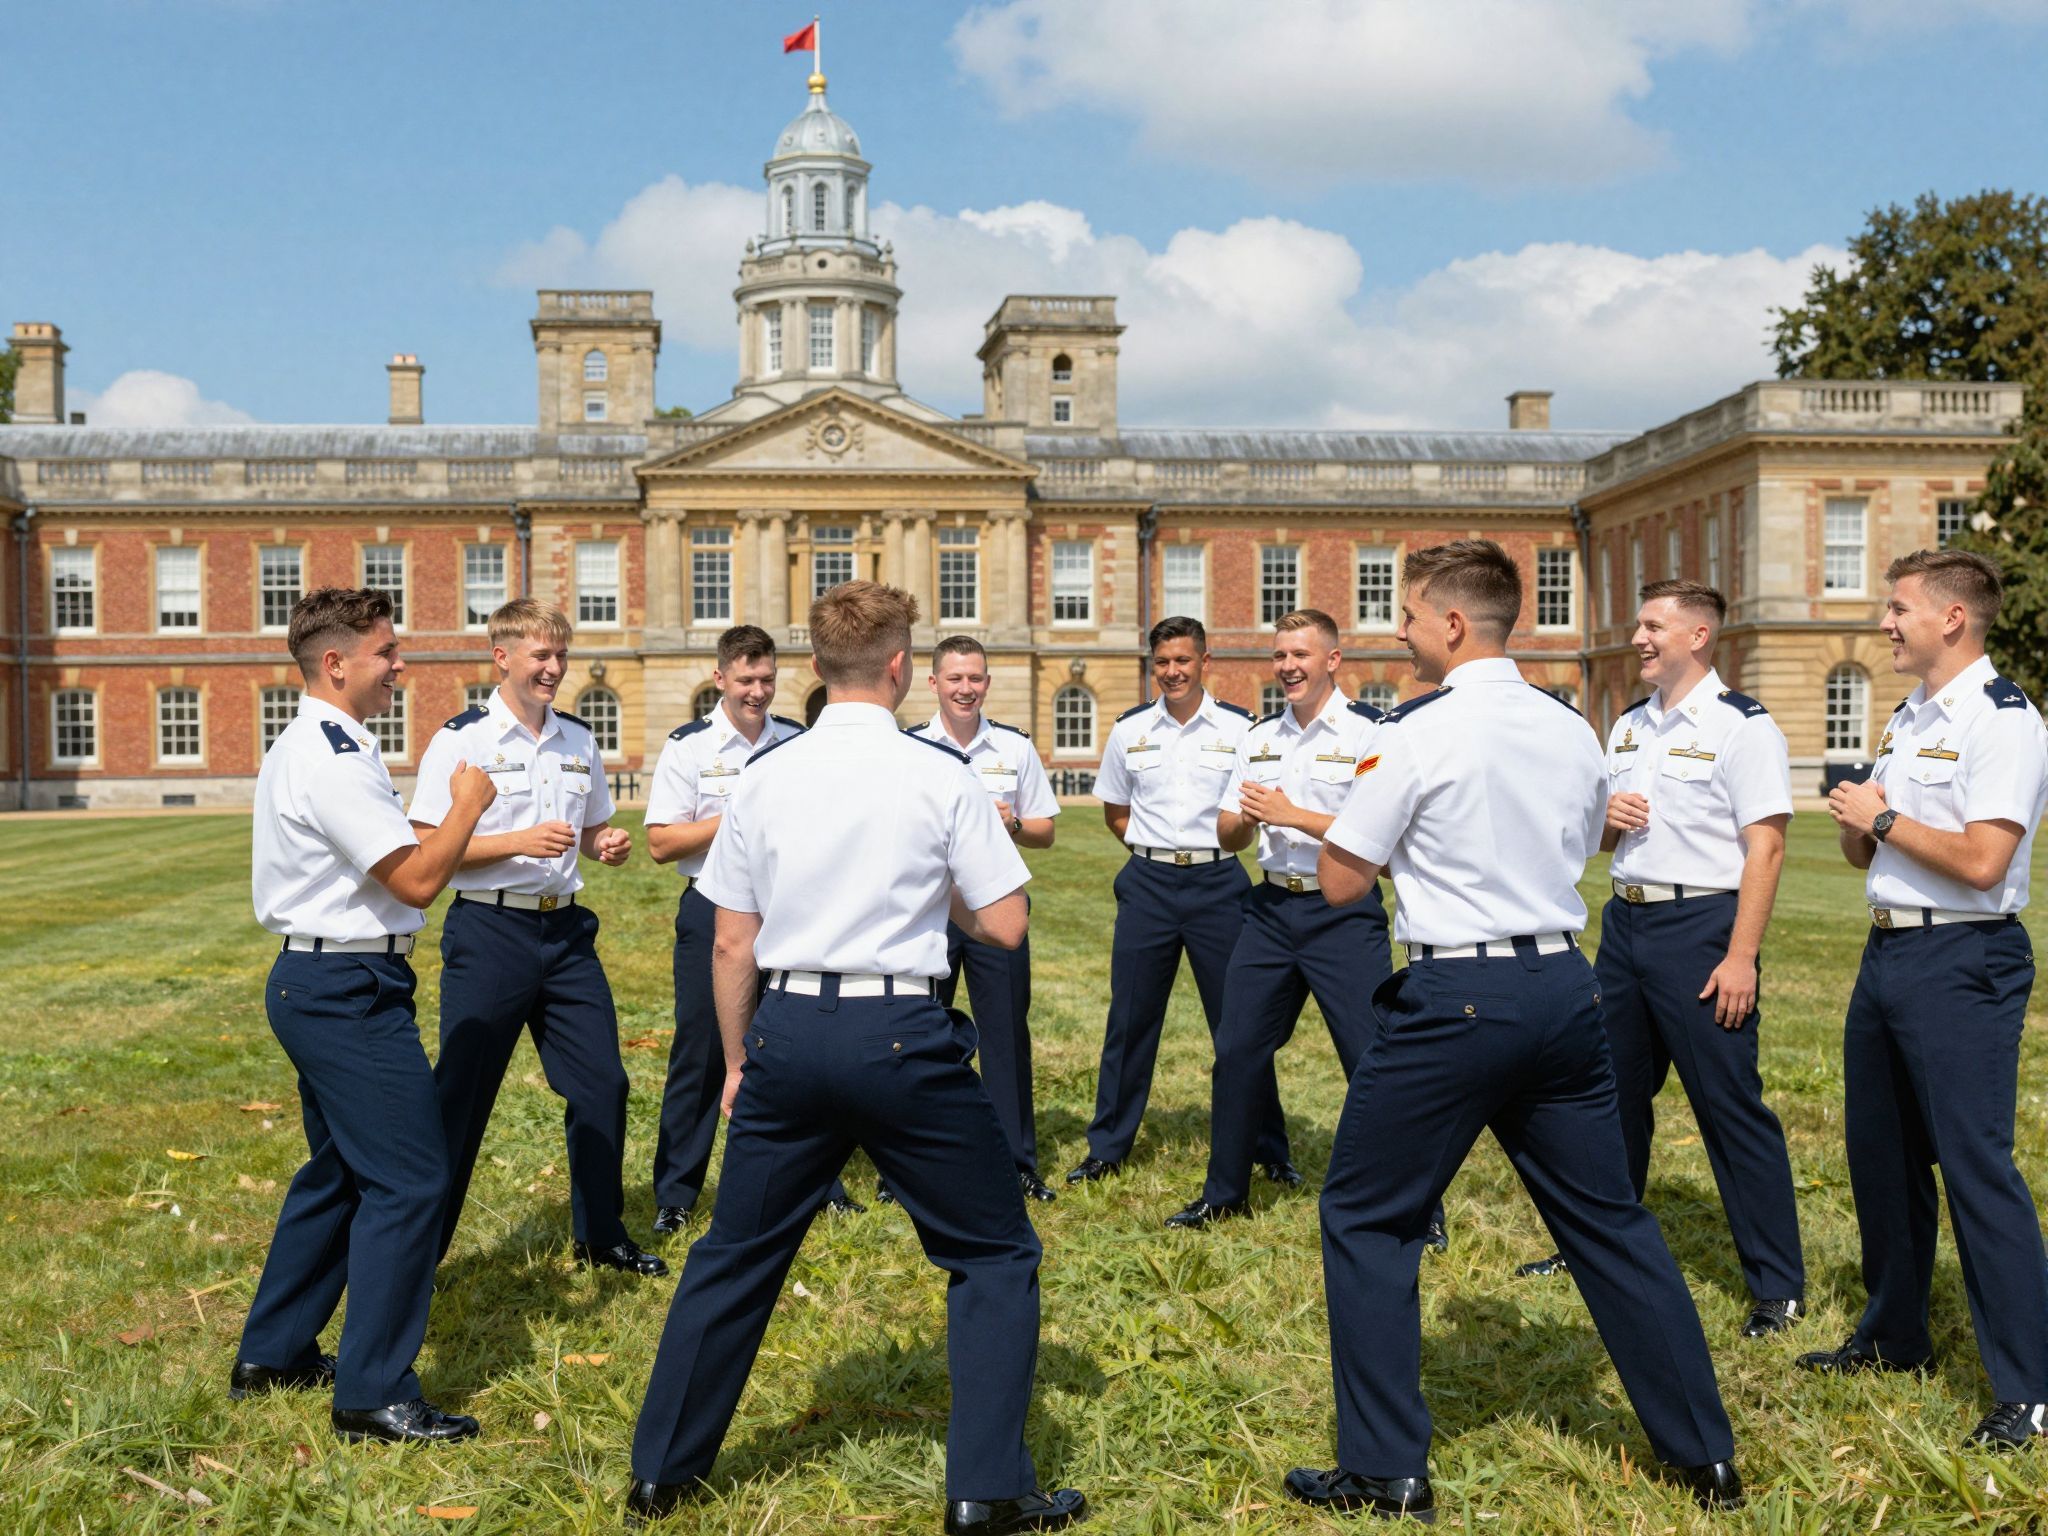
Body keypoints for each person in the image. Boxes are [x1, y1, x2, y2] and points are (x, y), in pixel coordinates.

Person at [1295, 540, 1740, 1518]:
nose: (1398, 629)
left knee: (1366, 1217)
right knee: (1606, 1223)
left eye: (1408, 614)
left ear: (1451, 624)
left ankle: (1383, 1469)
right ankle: (1703, 1453)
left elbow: (1338, 883)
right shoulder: (1571, 725)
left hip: (1455, 997)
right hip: (1562, 987)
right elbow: (1588, 840)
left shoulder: (1411, 733)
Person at [626, 582, 1084, 1533]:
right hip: (900, 1034)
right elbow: (1004, 924)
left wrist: (741, 1059)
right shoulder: (938, 773)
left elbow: (728, 942)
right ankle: (987, 1489)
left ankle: (661, 1474)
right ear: (902, 666)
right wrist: (939, 895)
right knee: (994, 1253)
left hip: (789, 1028)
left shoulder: (765, 777)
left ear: (814, 669)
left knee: (735, 1254)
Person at [234, 587, 495, 1444]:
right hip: (345, 991)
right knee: (411, 1178)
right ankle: (373, 1392)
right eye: (387, 652)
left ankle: (273, 1353)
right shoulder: (333, 755)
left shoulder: (318, 742)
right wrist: (467, 803)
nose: (399, 666)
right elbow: (416, 880)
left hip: (328, 983)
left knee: (342, 1171)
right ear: (337, 663)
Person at [1512, 580, 1803, 1337]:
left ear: (1698, 635)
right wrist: (1603, 817)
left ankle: (1777, 1288)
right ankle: (1593, 1247)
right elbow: (1602, 839)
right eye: (1638, 624)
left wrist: (1742, 957)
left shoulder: (1744, 727)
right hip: (1627, 928)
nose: (1638, 638)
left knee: (1729, 1108)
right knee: (1608, 1100)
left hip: (1704, 930)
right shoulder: (1630, 727)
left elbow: (1766, 846)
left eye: (1653, 626)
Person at [1809, 548, 2048, 1450]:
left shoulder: (2004, 720)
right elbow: (1871, 851)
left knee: (1977, 1172)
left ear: (1952, 618)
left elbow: (1985, 860)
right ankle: (1895, 1334)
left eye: (1898, 607)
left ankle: (2028, 1387)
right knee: (1881, 1158)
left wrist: (1878, 817)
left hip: (1964, 960)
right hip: (1889, 955)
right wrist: (1864, 824)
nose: (1885, 622)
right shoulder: (1910, 717)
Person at [412, 598, 663, 1279]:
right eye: (541, 657)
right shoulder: (462, 740)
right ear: (502, 658)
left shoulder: (579, 740)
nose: (554, 669)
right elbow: (426, 847)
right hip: (490, 931)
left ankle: (601, 1235)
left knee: (603, 1084)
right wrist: (516, 841)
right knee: (461, 1099)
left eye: (561, 657)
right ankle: (416, 1255)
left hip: (567, 934)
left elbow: (588, 829)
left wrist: (602, 843)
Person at [1165, 609, 1425, 1240]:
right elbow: (1226, 832)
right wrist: (1247, 819)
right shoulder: (1259, 737)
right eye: (1279, 656)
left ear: (1332, 660)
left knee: (1370, 1058)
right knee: (1236, 1049)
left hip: (1342, 913)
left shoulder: (1371, 735)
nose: (1287, 667)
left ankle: (1415, 1207)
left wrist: (1293, 813)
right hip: (1271, 911)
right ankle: (1225, 1193)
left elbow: (1379, 843)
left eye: (1300, 655)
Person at [644, 624, 860, 1230]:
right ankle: (677, 1195)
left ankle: (820, 1179)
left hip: (788, 906)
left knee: (797, 1044)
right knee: (702, 1051)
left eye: (767, 679)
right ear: (721, 679)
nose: (758, 691)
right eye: (746, 679)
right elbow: (661, 842)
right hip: (711, 905)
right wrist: (738, 817)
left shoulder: (796, 740)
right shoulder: (689, 746)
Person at [1069, 615, 1286, 1186]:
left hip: (1221, 886)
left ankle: (1268, 1148)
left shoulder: (1243, 729)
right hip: (1149, 885)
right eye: (1162, 662)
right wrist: (1156, 852)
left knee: (1240, 1025)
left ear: (1204, 663)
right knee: (1131, 1019)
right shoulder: (1129, 730)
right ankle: (1107, 1148)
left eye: (1183, 661)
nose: (1172, 672)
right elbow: (1117, 810)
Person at [907, 635, 1062, 1203]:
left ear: (987, 683)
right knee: (918, 1033)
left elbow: (1046, 830)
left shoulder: (1015, 748)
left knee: (1005, 1035)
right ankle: (907, 1164)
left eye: (975, 678)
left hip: (998, 908)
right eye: (955, 679)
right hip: (931, 910)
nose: (965, 689)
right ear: (934, 685)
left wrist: (1014, 822)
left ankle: (1016, 1161)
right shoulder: (912, 748)